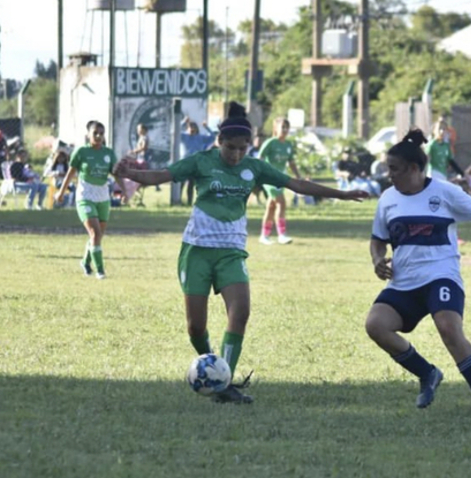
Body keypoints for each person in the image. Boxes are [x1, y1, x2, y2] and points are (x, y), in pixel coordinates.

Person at [111, 102, 369, 404]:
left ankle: (223, 383)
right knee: (196, 327)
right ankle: (212, 366)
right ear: (219, 141)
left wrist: (342, 193)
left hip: (232, 253)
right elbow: (161, 176)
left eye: (242, 149)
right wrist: (129, 173)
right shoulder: (201, 161)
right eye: (230, 148)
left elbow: (297, 184)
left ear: (250, 146)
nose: (235, 155)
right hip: (197, 252)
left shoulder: (254, 167)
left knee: (241, 311)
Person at [366, 128, 471, 417]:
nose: (389, 175)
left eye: (395, 169)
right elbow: (378, 238)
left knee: (449, 329)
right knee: (376, 325)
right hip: (403, 282)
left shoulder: (445, 192)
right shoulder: (388, 199)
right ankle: (427, 374)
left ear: (414, 169)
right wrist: (378, 258)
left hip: (441, 276)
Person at [54, 120, 127, 280]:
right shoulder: (81, 152)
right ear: (88, 135)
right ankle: (100, 271)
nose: (99, 136)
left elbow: (116, 174)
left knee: (98, 235)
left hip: (103, 196)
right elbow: (71, 173)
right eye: (95, 133)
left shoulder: (108, 153)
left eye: (101, 133)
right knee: (94, 233)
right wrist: (61, 192)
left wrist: (124, 191)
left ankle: (86, 262)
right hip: (85, 196)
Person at [258, 117, 301, 245]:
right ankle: (282, 234)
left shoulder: (288, 145)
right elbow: (260, 158)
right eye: (282, 127)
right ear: (276, 128)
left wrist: (298, 176)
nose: (285, 130)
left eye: (287, 127)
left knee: (271, 206)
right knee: (281, 203)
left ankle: (264, 235)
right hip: (269, 179)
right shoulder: (270, 143)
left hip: (280, 178)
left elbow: (291, 162)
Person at [181, 117, 217, 205]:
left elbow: (213, 137)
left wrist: (206, 127)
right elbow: (174, 132)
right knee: (181, 183)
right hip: (185, 162)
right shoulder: (185, 136)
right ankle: (178, 200)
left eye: (193, 127)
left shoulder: (200, 137)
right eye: (190, 127)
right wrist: (183, 122)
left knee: (191, 183)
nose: (192, 129)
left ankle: (189, 202)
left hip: (195, 163)